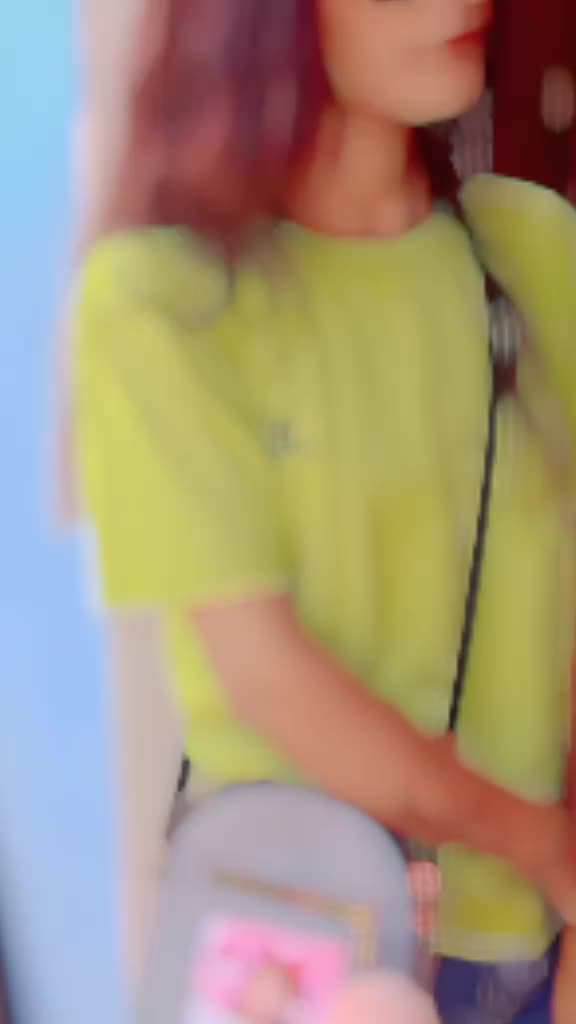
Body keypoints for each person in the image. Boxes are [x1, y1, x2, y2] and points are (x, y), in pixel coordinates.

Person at [72, 0, 576, 1018]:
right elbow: (268, 675)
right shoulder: (161, 300)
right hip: (299, 943)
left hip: (531, 948)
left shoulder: (534, 250)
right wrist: (547, 845)